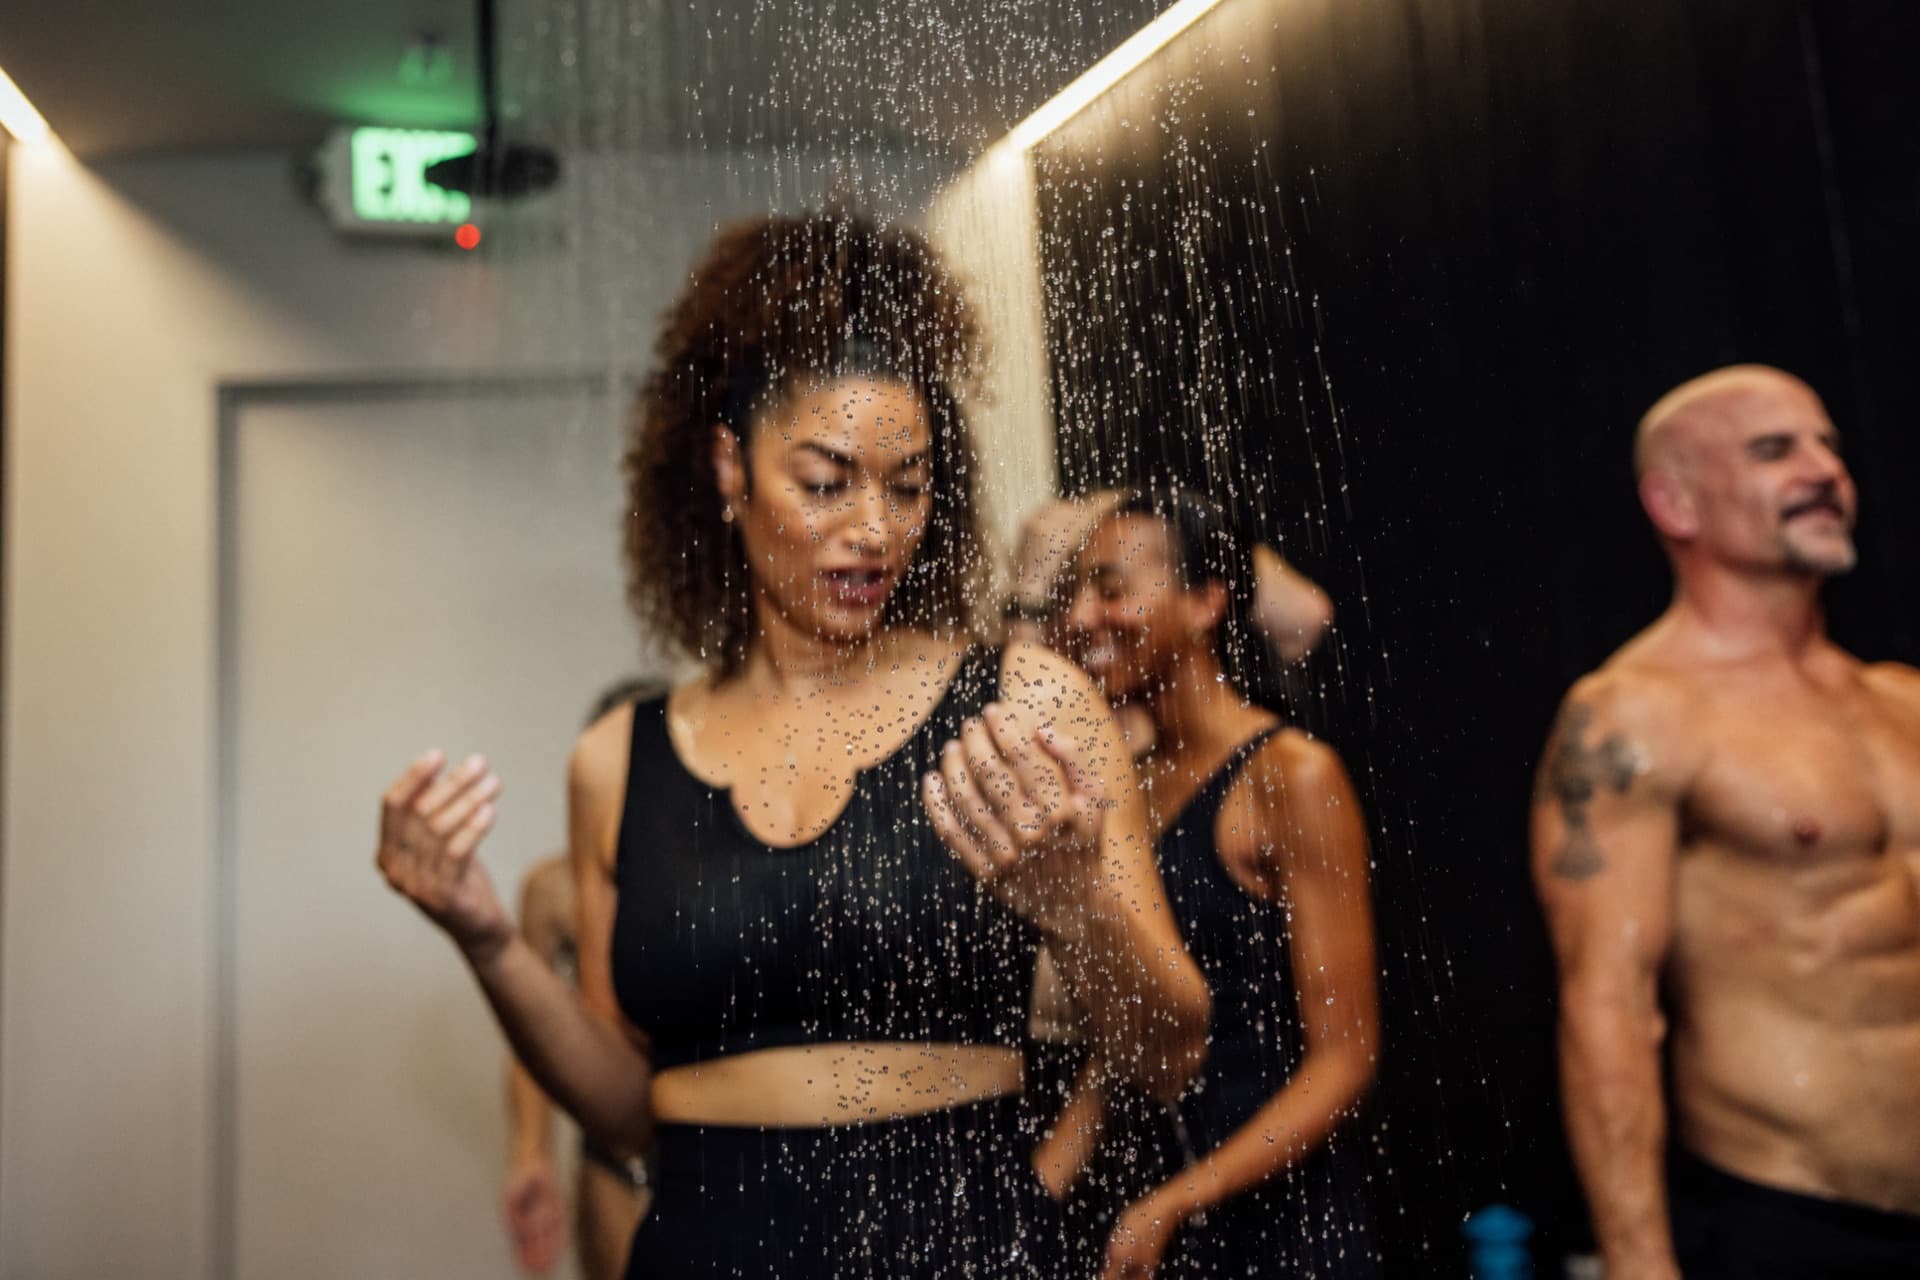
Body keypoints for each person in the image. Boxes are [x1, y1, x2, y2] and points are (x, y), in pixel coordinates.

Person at [374, 212, 1210, 1279]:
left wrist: (1079, 902)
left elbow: (1172, 1053)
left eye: (907, 484)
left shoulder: (1025, 702)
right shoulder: (620, 758)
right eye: (825, 481)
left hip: (961, 1245)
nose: (874, 528)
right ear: (731, 466)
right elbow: (630, 1111)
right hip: (703, 1244)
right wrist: (486, 938)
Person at [1532, 365, 1920, 1278]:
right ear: (1676, 503)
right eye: (1774, 450)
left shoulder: (1901, 701)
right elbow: (1608, 1007)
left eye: (1829, 445)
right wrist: (1637, 1262)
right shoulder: (1632, 717)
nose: (1825, 469)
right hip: (1794, 1221)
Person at [1044, 489, 1382, 1278]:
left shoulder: (1293, 776)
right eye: (1077, 595)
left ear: (1204, 602)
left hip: (1284, 1235)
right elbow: (1129, 1039)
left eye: (1112, 589)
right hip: (1160, 1226)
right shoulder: (1125, 784)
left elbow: (1344, 1063)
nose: (1084, 618)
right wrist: (1038, 1187)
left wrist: (1181, 1199)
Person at [501, 675, 663, 1280]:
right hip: (615, 1155)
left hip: (719, 1143)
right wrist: (528, 1153)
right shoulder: (554, 892)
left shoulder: (725, 886)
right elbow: (531, 1040)